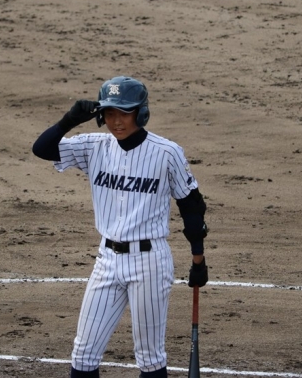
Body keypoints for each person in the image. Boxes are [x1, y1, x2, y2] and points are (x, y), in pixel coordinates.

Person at [32, 75, 209, 378]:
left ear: (141, 113)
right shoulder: (94, 146)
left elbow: (191, 206)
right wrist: (68, 120)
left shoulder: (166, 152)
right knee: (83, 354)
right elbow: (42, 148)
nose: (116, 121)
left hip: (149, 262)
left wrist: (198, 259)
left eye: (124, 113)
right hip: (107, 260)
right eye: (110, 113)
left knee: (150, 357)